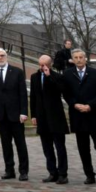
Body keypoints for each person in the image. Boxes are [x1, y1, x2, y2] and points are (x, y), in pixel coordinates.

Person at [61, 48, 96, 185]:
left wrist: (90, 106)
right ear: (72, 59)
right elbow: (66, 93)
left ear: (85, 58)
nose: (79, 60)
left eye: (81, 57)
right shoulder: (67, 74)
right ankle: (89, 175)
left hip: (94, 115)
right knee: (83, 148)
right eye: (75, 57)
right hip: (78, 116)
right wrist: (74, 104)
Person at [0, 48, 28, 181]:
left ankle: (23, 171)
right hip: (1, 114)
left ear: (6, 56)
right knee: (6, 144)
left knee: (20, 143)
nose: (0, 58)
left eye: (2, 55)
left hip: (16, 114)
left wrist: (23, 112)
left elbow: (23, 93)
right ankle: (9, 170)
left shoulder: (17, 72)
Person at [30, 55, 69, 184]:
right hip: (42, 117)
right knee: (47, 148)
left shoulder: (57, 76)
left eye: (44, 65)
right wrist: (33, 115)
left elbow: (61, 90)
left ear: (50, 64)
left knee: (60, 147)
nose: (42, 67)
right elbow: (33, 97)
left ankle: (63, 173)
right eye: (40, 64)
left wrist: (49, 76)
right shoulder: (34, 77)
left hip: (56, 117)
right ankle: (52, 172)